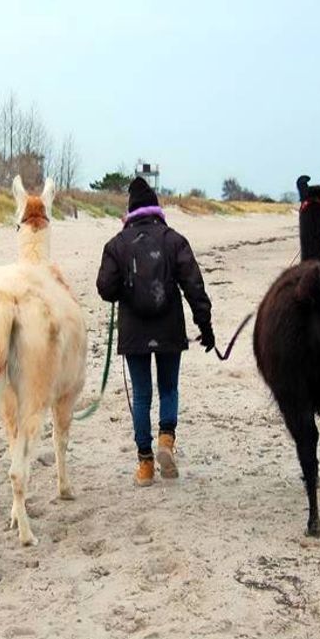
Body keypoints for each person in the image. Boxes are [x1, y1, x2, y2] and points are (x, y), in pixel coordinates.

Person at [96, 177, 214, 487]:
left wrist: (124, 283)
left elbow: (105, 289)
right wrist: (205, 326)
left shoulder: (116, 245)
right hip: (169, 328)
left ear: (130, 210)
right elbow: (193, 286)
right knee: (169, 389)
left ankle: (146, 466)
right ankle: (166, 440)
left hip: (134, 332)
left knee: (142, 395)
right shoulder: (174, 240)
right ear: (156, 208)